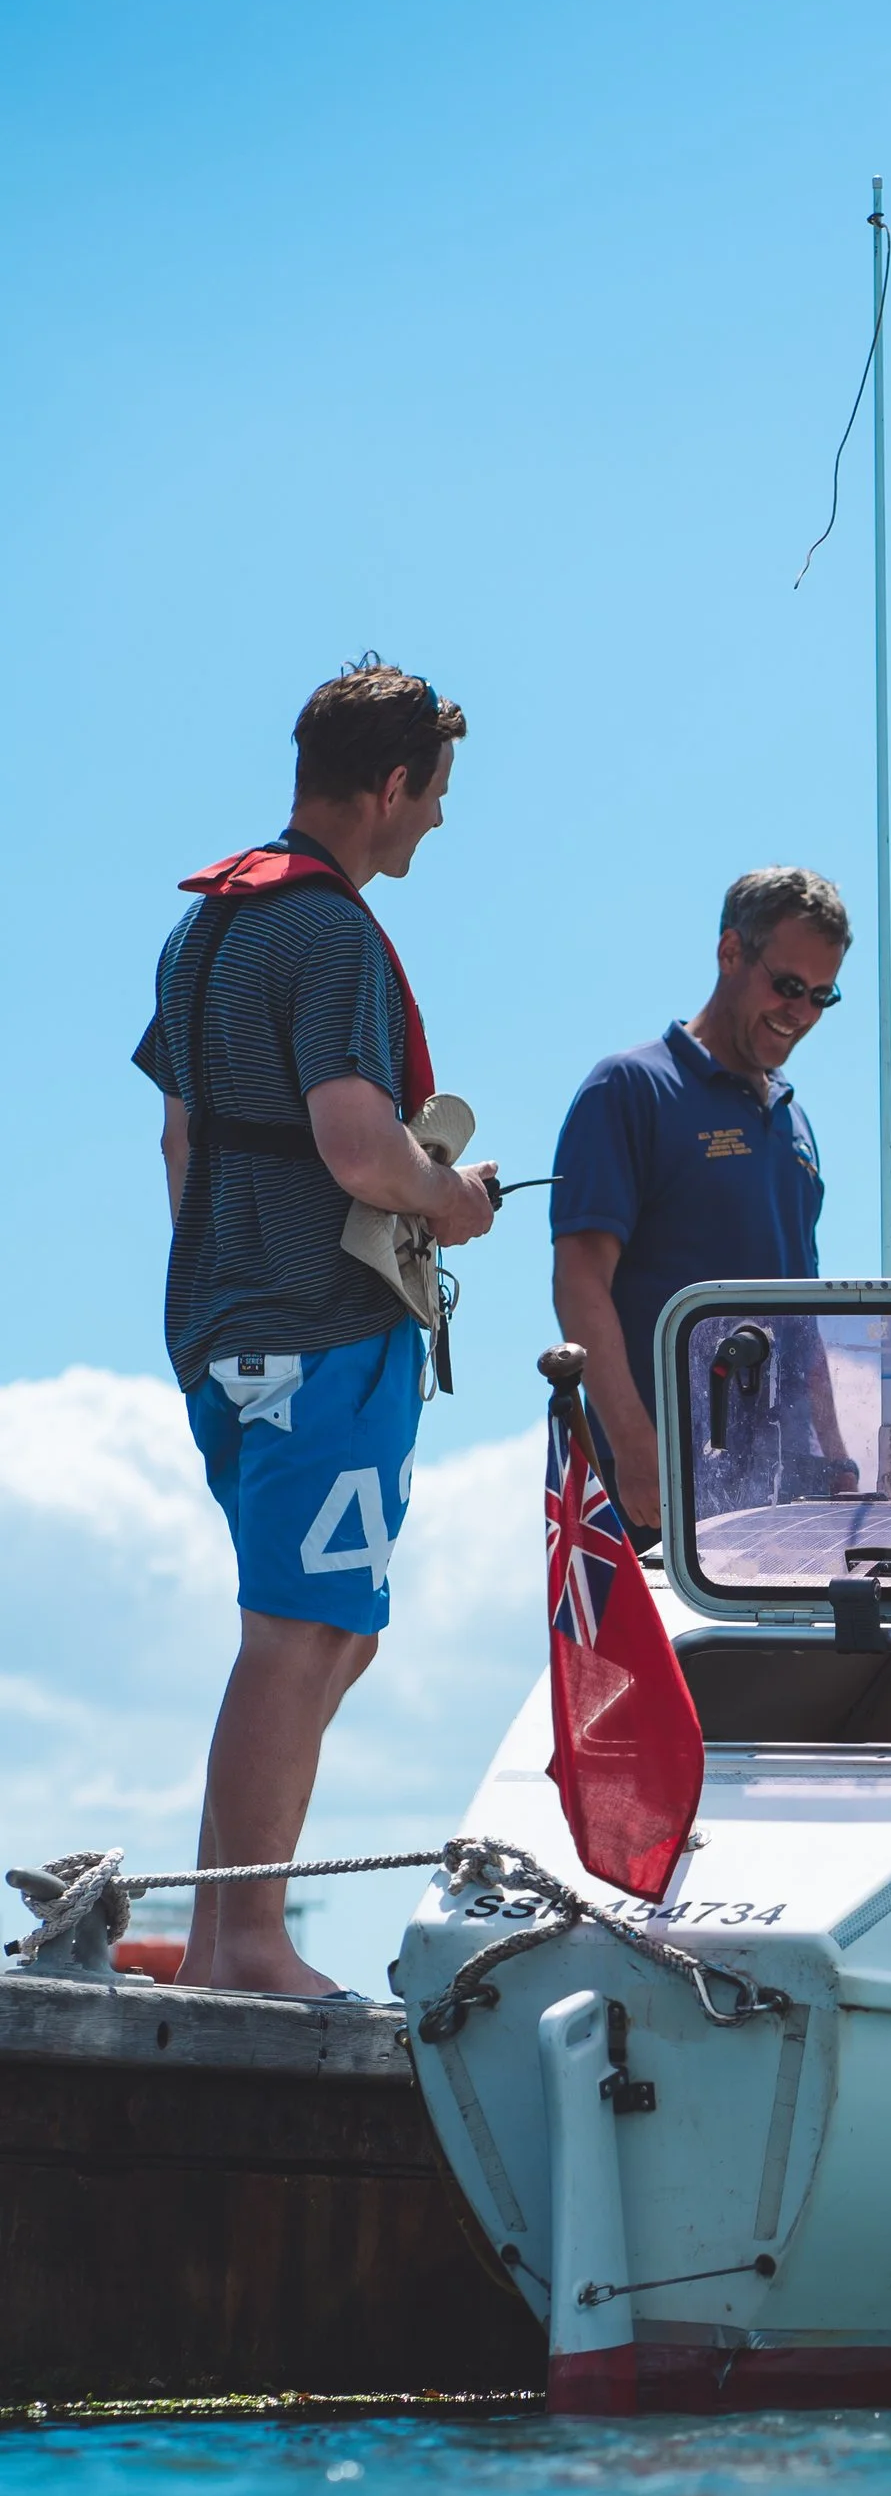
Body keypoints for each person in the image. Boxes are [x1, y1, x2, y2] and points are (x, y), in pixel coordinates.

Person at [136, 658, 498, 1998]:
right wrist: (449, 1199)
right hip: (322, 1334)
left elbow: (179, 1136)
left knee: (330, 1625)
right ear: (393, 785)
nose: (439, 823)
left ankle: (230, 1923)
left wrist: (227, 1288)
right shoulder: (330, 931)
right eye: (437, 794)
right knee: (299, 1631)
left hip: (226, 1324)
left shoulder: (208, 930)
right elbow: (360, 1148)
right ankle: (243, 1943)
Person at [551, 868, 859, 1540]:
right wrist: (634, 1449)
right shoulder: (629, 1088)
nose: (800, 1013)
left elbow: (802, 1309)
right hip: (657, 1494)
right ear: (729, 953)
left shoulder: (794, 1121)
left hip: (784, 1496)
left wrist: (836, 1457)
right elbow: (579, 1283)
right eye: (786, 986)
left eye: (820, 996)